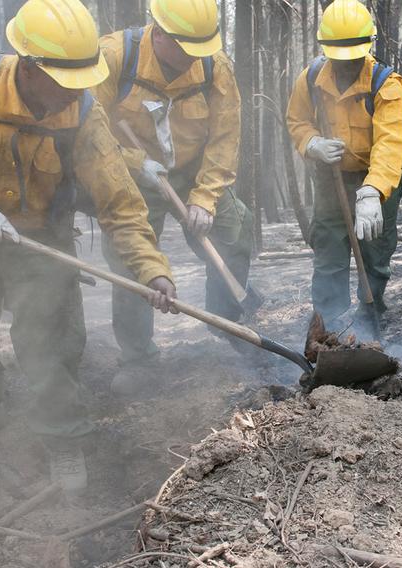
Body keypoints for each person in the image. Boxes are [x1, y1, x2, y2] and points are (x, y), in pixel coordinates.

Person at [0, 0, 177, 493]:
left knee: (52, 336)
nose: (74, 91)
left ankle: (63, 435)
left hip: (43, 239)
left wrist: (152, 269)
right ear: (29, 65)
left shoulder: (84, 114)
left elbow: (120, 203)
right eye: (64, 79)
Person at [94, 0, 254, 394]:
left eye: (201, 49)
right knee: (131, 257)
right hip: (129, 170)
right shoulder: (114, 57)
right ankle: (138, 357)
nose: (193, 59)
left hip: (192, 171)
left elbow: (224, 138)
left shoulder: (216, 67)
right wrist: (133, 163)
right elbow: (89, 133)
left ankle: (225, 320)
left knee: (234, 229)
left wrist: (205, 197)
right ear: (159, 32)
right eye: (186, 48)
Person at [286, 0, 402, 335]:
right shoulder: (310, 79)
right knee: (328, 247)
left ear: (366, 46)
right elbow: (297, 120)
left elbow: (391, 143)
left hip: (377, 181)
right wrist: (312, 143)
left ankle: (372, 315)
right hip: (331, 178)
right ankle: (329, 323)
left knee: (375, 250)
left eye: (352, 56)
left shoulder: (387, 84)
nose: (344, 65)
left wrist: (372, 192)